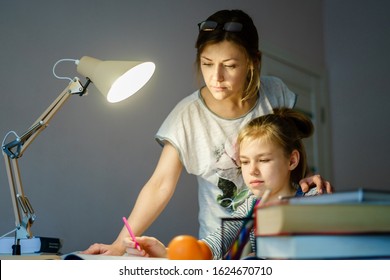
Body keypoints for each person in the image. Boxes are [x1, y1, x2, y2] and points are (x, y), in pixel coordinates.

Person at [82, 9, 332, 256]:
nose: (216, 77)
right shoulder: (187, 115)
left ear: (254, 62)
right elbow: (159, 186)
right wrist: (119, 245)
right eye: (207, 64)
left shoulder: (275, 92)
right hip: (218, 249)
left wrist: (308, 182)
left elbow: (289, 149)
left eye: (230, 65)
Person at [124, 108, 318, 259]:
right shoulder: (251, 206)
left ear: (292, 160)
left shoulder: (313, 199)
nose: (252, 170)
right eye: (245, 161)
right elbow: (213, 245)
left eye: (264, 160)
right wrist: (168, 253)